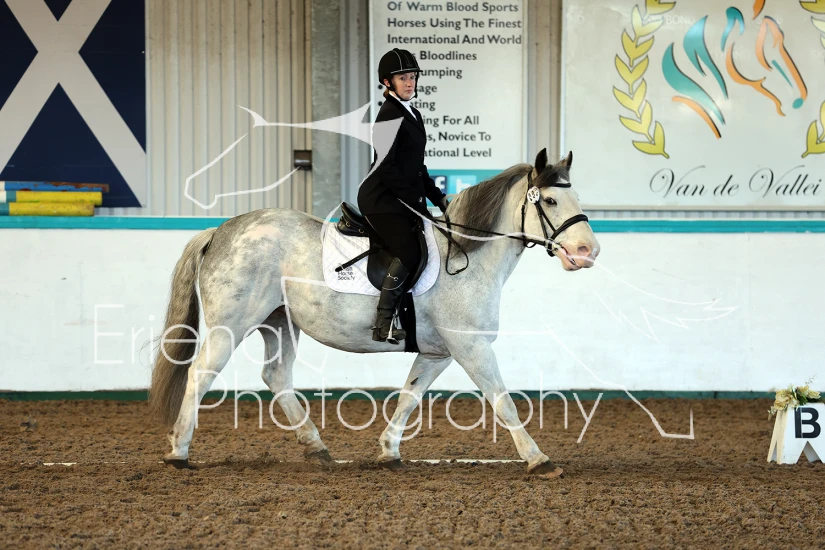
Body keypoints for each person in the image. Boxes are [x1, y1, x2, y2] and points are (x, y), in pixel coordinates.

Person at [357, 48, 449, 344]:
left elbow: (417, 168)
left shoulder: (413, 114)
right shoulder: (387, 115)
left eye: (412, 77)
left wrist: (439, 198)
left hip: (400, 198)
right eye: (402, 78)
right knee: (409, 252)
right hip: (381, 200)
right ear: (388, 82)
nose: (409, 83)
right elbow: (387, 169)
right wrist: (417, 202)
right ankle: (383, 323)